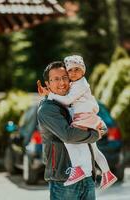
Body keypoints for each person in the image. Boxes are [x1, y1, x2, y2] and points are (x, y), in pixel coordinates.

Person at [43, 55, 117, 190]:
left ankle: (77, 168)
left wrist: (51, 95)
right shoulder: (74, 84)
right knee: (94, 150)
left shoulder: (81, 84)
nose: (73, 73)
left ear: (83, 71)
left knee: (67, 139)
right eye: (70, 70)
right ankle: (107, 173)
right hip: (86, 117)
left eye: (77, 69)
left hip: (84, 118)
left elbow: (67, 100)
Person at [37, 61, 104, 200]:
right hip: (64, 179)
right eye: (55, 79)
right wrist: (95, 134)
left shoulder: (75, 103)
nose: (61, 82)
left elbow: (99, 124)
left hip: (88, 176)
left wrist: (99, 128)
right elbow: (68, 135)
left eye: (64, 77)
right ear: (47, 84)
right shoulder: (47, 109)